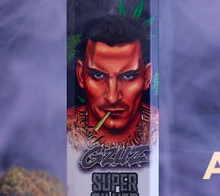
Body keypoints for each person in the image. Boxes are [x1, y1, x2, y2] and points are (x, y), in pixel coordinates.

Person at [67, 15, 158, 147]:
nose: (112, 97)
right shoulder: (65, 127)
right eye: (98, 75)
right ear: (80, 75)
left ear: (147, 77)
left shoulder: (163, 127)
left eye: (128, 76)